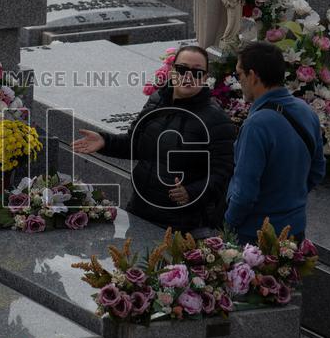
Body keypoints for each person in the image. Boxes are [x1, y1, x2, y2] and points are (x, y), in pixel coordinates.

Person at [72, 46, 236, 235]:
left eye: (196, 72)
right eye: (182, 69)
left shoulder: (216, 120)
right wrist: (105, 141)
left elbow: (223, 172)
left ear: (205, 77)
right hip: (140, 209)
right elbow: (135, 144)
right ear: (172, 71)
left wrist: (192, 192)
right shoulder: (157, 100)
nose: (188, 76)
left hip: (182, 223)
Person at [225, 41, 326, 243]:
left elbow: (244, 193)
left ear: (253, 76)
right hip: (295, 229)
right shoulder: (306, 111)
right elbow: (317, 171)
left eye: (239, 74)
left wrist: (228, 225)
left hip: (256, 235)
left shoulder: (256, 125)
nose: (239, 80)